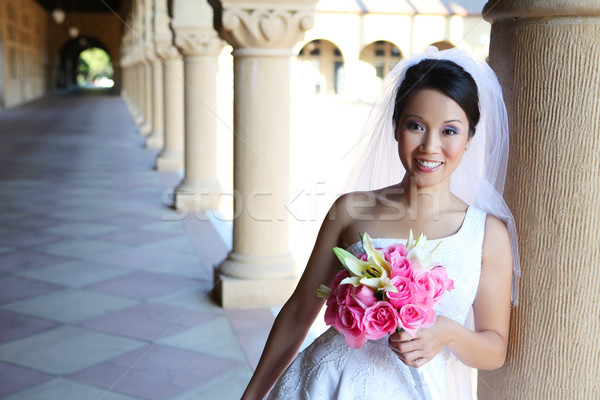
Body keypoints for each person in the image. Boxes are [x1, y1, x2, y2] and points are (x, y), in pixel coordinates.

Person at [242, 47, 520, 400]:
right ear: (395, 127)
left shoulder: (487, 235)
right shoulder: (350, 210)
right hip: (327, 384)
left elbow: (494, 349)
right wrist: (251, 396)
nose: (430, 147)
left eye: (450, 130)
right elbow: (299, 310)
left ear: (469, 138)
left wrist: (447, 332)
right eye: (416, 126)